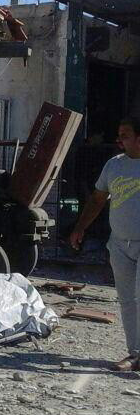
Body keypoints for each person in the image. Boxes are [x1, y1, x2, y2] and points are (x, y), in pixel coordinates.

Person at [71, 117, 140, 370]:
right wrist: (80, 228)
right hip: (120, 243)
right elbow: (98, 199)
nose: (119, 139)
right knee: (127, 299)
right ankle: (135, 354)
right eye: (119, 134)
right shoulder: (114, 165)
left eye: (125, 135)